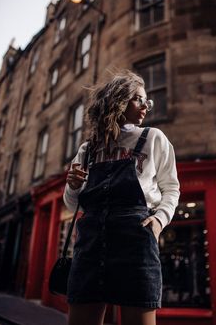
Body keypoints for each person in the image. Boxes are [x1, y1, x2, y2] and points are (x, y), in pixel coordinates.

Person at [63, 70, 180, 325]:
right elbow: (73, 205)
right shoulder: (88, 148)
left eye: (147, 101)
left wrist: (159, 220)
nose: (145, 107)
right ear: (118, 100)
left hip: (135, 241)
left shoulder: (153, 138)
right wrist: (73, 186)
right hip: (91, 244)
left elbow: (171, 188)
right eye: (138, 99)